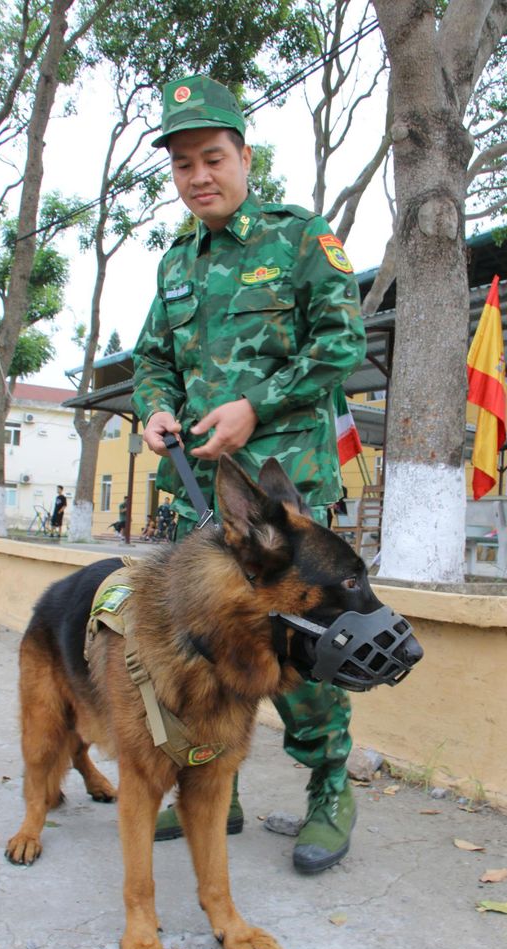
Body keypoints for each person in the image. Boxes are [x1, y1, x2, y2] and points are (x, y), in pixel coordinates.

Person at [131, 75, 366, 874]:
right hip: (198, 496)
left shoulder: (298, 238)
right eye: (184, 164)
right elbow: (152, 361)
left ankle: (330, 786)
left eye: (213, 158)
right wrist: (156, 410)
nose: (199, 176)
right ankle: (214, 792)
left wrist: (253, 407)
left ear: (244, 157)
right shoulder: (174, 264)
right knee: (203, 647)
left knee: (299, 651)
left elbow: (343, 344)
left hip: (283, 488)